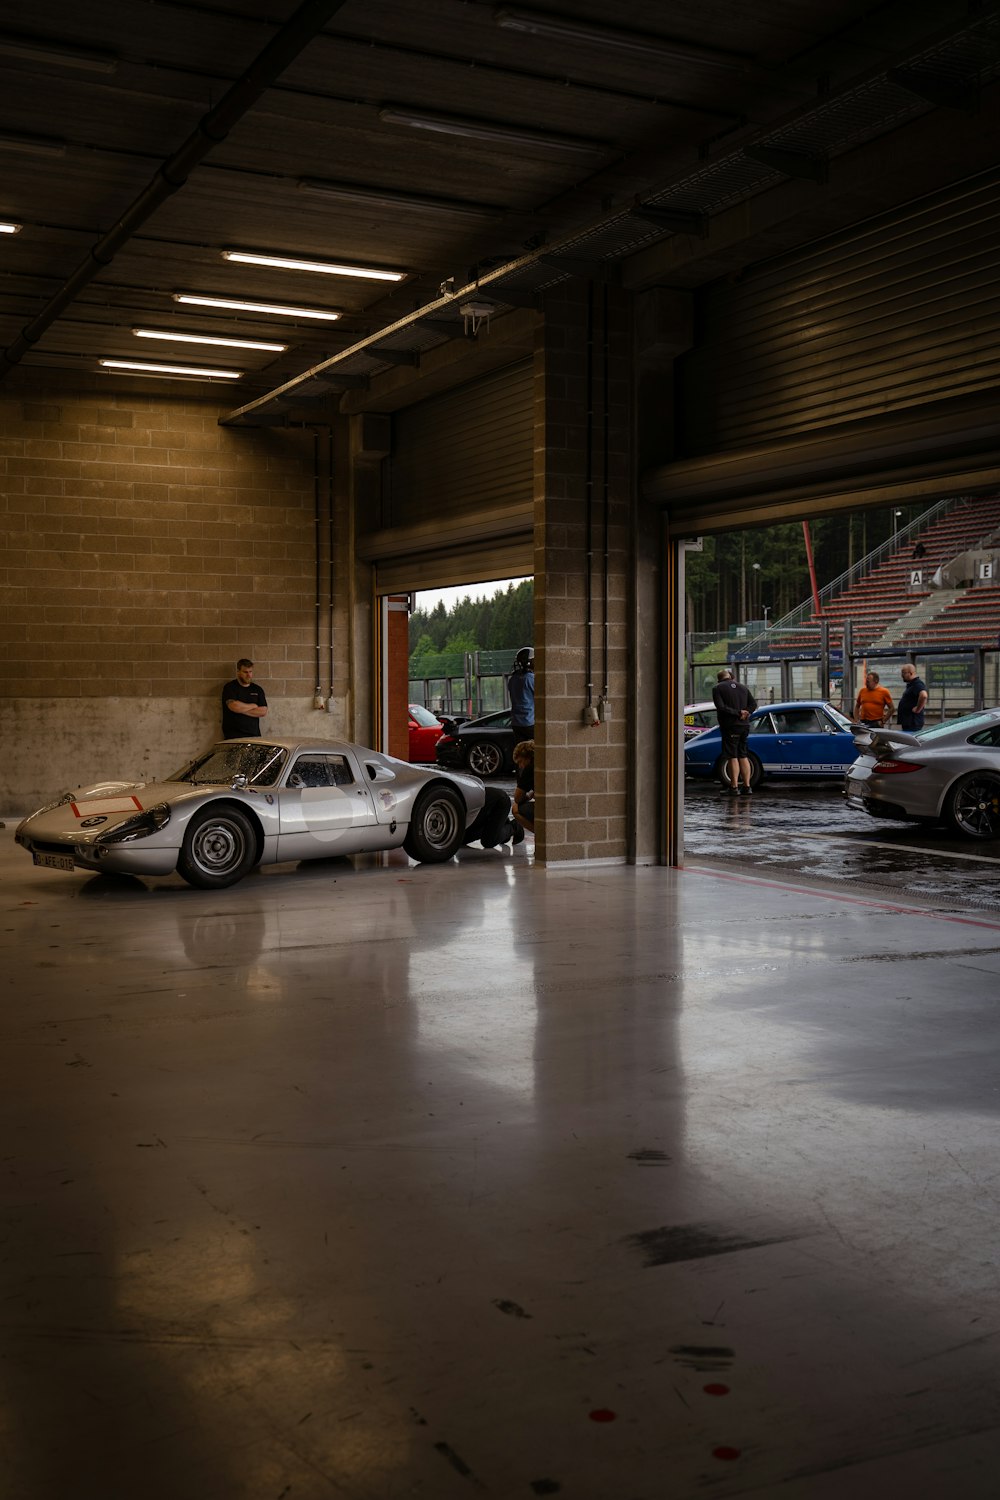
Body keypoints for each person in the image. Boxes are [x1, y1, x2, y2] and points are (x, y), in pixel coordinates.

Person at [711, 669, 758, 795]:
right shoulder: (743, 687)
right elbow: (753, 704)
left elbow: (721, 707)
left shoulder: (717, 688)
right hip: (744, 726)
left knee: (732, 756)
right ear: (731, 677)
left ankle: (734, 787)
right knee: (743, 754)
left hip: (730, 726)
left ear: (719, 679)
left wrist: (737, 713)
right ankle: (747, 786)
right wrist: (746, 712)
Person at [221, 658, 268, 738]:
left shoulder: (257, 689)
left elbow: (263, 711)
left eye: (250, 672)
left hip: (253, 735)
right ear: (238, 672)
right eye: (245, 672)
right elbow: (234, 706)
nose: (249, 675)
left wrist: (240, 710)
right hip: (233, 735)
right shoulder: (230, 687)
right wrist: (253, 706)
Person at [507, 647, 534, 742]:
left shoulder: (513, 679)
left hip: (516, 722)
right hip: (530, 722)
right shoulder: (531, 678)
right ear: (529, 662)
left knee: (523, 752)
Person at [512, 739, 535, 834]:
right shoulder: (543, 761)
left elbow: (517, 798)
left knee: (515, 809)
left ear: (527, 757)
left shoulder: (529, 768)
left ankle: (542, 834)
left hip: (546, 807)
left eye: (520, 761)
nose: (520, 766)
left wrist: (526, 797)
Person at [897, 663, 928, 731]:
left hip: (913, 722)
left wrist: (918, 709)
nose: (902, 675)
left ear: (911, 673)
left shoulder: (917, 684)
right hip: (908, 722)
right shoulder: (911, 684)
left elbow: (924, 695)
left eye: (903, 673)